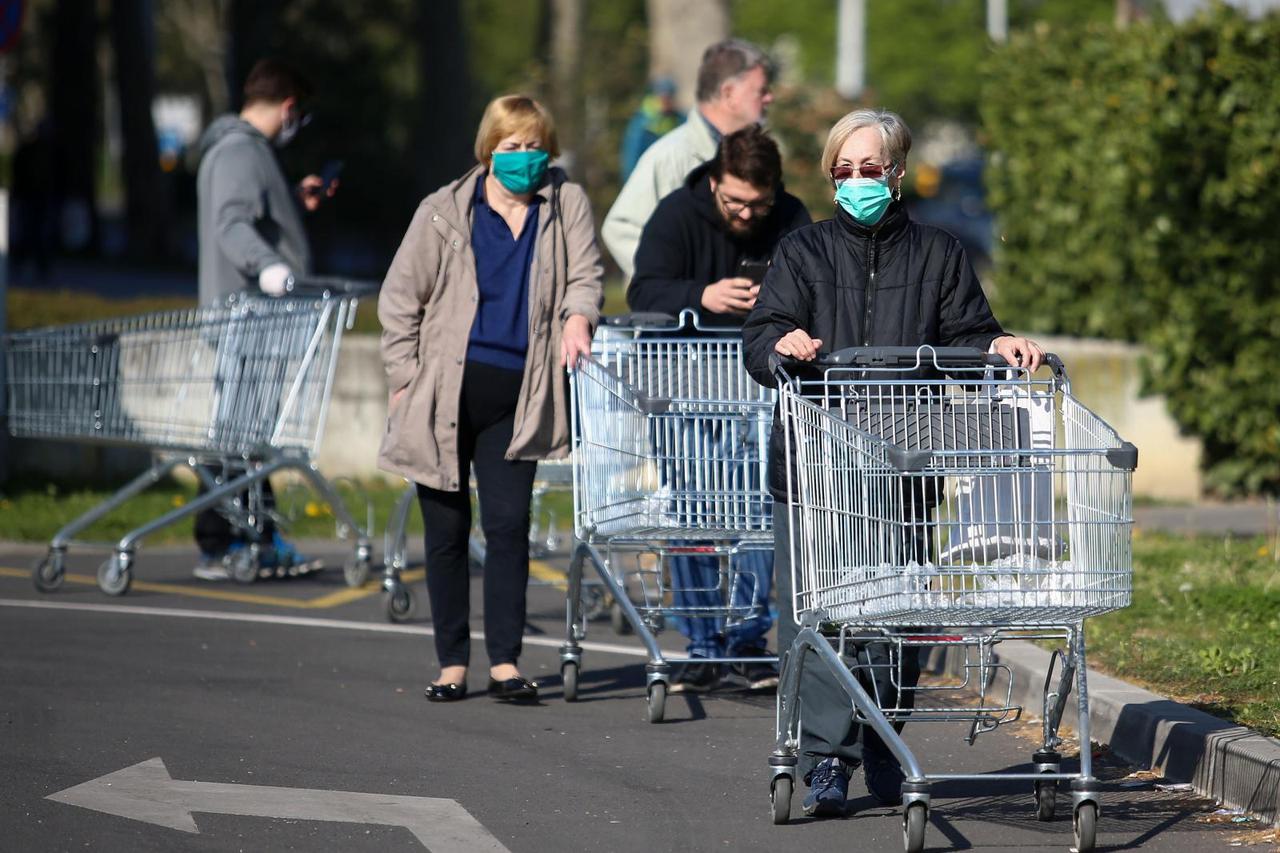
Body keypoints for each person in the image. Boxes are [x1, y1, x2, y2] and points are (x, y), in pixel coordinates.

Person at [742, 108, 1044, 817]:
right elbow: (760, 336)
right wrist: (781, 343)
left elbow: (970, 335)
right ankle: (823, 759)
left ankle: (882, 739)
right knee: (822, 619)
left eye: (868, 169)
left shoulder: (938, 253)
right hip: (815, 468)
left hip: (904, 463)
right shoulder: (803, 252)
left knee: (896, 616)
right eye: (841, 171)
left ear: (898, 173)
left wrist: (997, 348)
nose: (854, 182)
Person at [378, 95, 602, 705]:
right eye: (512, 147)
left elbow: (585, 273)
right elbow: (400, 298)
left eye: (535, 147)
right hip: (442, 395)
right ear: (487, 151)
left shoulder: (566, 203)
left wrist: (579, 316)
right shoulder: (443, 211)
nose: (525, 159)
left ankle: (504, 662)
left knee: (508, 526)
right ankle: (452, 662)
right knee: (446, 532)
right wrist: (402, 376)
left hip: (520, 395)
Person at [627, 126, 809, 693]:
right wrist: (701, 296)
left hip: (761, 386)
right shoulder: (676, 214)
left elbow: (819, 287)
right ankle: (704, 642)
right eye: (734, 201)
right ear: (713, 183)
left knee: (760, 510)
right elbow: (642, 292)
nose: (747, 214)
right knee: (695, 510)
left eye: (759, 203)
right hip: (684, 382)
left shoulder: (793, 217)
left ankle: (750, 641)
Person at [193, 58, 336, 580]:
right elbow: (231, 223)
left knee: (248, 438)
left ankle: (257, 537)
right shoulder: (240, 151)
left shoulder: (245, 153)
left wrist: (291, 205)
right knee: (236, 437)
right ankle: (219, 543)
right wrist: (272, 267)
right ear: (289, 107)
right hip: (249, 319)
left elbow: (248, 217)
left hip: (255, 321)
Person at [602, 38, 774, 279]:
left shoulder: (759, 155)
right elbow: (620, 228)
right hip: (682, 315)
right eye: (761, 91)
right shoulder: (671, 156)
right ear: (729, 94)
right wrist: (677, 286)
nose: (769, 99)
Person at [619, 78, 683, 183]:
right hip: (646, 181)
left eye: (669, 97)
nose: (666, 101)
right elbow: (631, 158)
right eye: (663, 97)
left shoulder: (679, 120)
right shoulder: (641, 123)